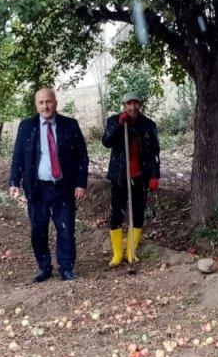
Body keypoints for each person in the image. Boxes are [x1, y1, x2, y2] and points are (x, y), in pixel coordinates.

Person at [9, 88, 89, 282]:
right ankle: (44, 267)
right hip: (37, 189)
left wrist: (81, 183)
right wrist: (14, 182)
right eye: (41, 103)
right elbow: (18, 156)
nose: (45, 106)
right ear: (36, 105)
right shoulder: (26, 126)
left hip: (63, 187)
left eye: (48, 101)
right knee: (38, 230)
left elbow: (82, 156)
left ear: (55, 102)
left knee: (66, 229)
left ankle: (67, 268)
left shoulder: (70, 125)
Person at [101, 91, 160, 267]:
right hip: (119, 176)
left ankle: (131, 252)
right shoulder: (114, 120)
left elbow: (154, 151)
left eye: (136, 103)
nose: (133, 107)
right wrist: (119, 125)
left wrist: (155, 175)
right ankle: (118, 254)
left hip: (140, 176)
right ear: (124, 105)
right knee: (116, 214)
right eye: (129, 103)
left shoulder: (148, 125)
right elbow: (106, 142)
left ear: (140, 105)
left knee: (138, 213)